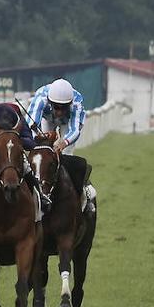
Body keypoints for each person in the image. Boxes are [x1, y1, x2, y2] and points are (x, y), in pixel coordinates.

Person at [28, 78, 96, 215]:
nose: (59, 112)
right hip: (47, 120)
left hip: (68, 124)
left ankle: (84, 194)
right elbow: (30, 123)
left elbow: (75, 130)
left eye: (63, 108)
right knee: (41, 154)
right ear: (50, 102)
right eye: (56, 107)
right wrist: (40, 137)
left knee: (66, 157)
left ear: (69, 104)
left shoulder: (77, 104)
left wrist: (63, 143)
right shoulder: (41, 98)